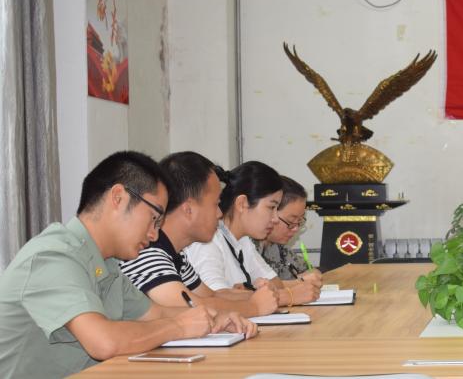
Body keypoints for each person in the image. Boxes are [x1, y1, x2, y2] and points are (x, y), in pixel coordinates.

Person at [0, 151, 256, 378]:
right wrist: (180, 327)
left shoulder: (108, 264)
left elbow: (155, 314)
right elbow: (104, 342)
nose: (154, 235)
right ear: (118, 197)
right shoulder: (52, 256)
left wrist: (215, 319)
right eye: (153, 218)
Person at [120, 151, 278, 317]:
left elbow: (211, 296)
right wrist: (255, 307)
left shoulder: (176, 255)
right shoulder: (146, 250)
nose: (219, 213)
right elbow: (189, 306)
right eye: (215, 204)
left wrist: (261, 296)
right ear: (188, 209)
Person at [185, 161, 321, 307]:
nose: (275, 218)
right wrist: (287, 296)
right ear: (242, 203)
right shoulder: (206, 241)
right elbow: (215, 299)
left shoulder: (242, 240)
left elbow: (275, 283)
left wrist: (258, 291)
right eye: (271, 207)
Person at [259, 176, 322, 281]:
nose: (295, 229)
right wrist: (298, 283)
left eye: (299, 221)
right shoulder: (247, 245)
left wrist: (311, 274)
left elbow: (309, 270)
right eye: (291, 221)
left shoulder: (278, 246)